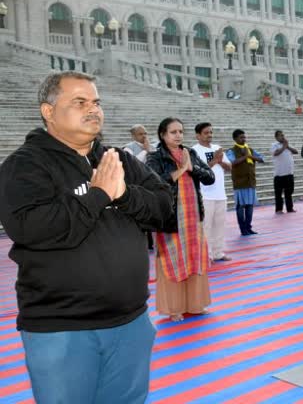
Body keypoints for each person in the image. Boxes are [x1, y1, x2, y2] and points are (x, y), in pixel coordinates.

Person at [0, 71, 173, 403]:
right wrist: (98, 195)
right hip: (63, 329)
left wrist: (124, 195)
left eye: (95, 102)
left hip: (130, 322)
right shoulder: (24, 166)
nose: (93, 109)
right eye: (79, 102)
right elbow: (33, 228)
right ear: (48, 111)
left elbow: (164, 207)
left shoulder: (116, 159)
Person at [147, 117, 215, 322]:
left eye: (180, 132)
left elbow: (210, 176)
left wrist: (192, 168)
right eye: (173, 132)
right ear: (162, 134)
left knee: (194, 259)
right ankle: (173, 308)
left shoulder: (190, 153)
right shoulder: (154, 157)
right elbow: (154, 182)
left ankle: (195, 305)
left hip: (193, 216)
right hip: (171, 218)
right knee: (173, 261)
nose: (178, 136)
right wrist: (181, 170)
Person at [192, 122, 233, 261]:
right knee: (205, 226)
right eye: (206, 133)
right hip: (205, 195)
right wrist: (215, 160)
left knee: (219, 225)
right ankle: (205, 255)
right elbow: (198, 170)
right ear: (198, 135)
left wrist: (220, 161)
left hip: (220, 194)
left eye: (211, 132)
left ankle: (218, 253)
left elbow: (229, 168)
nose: (209, 135)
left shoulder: (217, 148)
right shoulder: (194, 151)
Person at [124, 123, 157, 250]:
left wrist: (149, 149)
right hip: (137, 186)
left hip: (151, 184)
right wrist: (145, 150)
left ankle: (152, 241)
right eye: (140, 134)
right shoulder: (128, 148)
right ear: (133, 136)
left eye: (145, 133)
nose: (144, 136)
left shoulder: (152, 147)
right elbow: (133, 164)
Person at [226, 129, 264, 236]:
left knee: (249, 206)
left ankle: (248, 227)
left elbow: (262, 159)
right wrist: (245, 157)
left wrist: (250, 156)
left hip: (250, 182)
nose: (243, 139)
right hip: (239, 183)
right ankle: (243, 229)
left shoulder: (250, 149)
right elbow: (232, 162)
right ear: (235, 139)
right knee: (240, 207)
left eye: (244, 137)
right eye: (241, 137)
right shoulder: (231, 151)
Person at [272, 130, 298, 213]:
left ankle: (289, 208)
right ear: (276, 137)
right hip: (279, 174)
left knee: (289, 192)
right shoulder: (274, 145)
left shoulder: (287, 144)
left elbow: (296, 152)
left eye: (283, 135)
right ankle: (279, 209)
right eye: (280, 135)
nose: (282, 137)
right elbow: (276, 153)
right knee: (278, 193)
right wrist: (284, 147)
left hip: (289, 173)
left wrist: (287, 146)